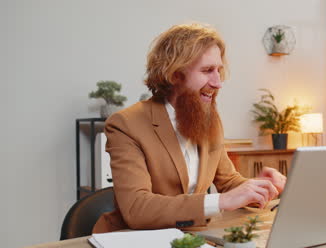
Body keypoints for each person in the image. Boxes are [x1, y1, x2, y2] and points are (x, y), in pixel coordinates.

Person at [93, 23, 286, 233]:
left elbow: (228, 181)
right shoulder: (125, 124)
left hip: (191, 238)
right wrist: (220, 201)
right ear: (175, 74)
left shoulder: (207, 117)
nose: (217, 82)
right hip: (131, 242)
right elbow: (137, 208)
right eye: (207, 71)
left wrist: (258, 187)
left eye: (219, 70)